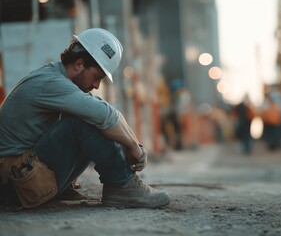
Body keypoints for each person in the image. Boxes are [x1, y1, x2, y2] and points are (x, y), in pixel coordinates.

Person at [0, 28, 170, 209]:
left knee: (92, 116)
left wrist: (136, 146)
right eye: (96, 77)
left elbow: (109, 112)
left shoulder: (58, 79)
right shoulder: (50, 82)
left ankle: (120, 183)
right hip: (13, 185)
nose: (96, 85)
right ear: (79, 64)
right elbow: (104, 115)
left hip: (21, 177)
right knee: (81, 122)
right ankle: (122, 186)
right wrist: (134, 147)